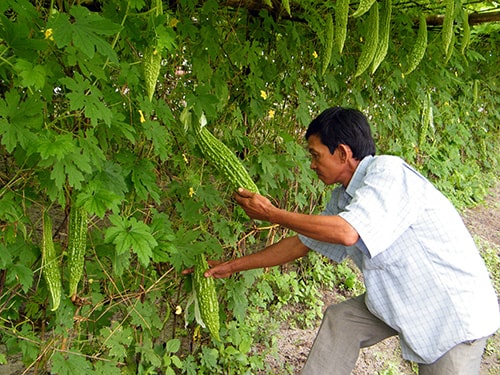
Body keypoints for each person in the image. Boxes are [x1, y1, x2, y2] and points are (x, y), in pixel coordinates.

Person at [187, 107, 500, 374]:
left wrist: (272, 213)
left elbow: (348, 232)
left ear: (343, 153)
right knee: (342, 321)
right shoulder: (344, 198)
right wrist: (231, 266)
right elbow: (302, 243)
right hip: (401, 297)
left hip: (451, 316)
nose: (311, 164)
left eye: (315, 154)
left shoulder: (388, 173)